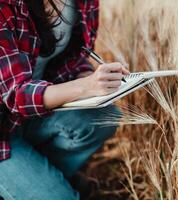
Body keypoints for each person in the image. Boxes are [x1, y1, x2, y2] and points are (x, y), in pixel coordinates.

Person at [0, 0, 128, 199]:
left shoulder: (83, 2)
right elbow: (15, 94)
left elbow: (72, 57)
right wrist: (86, 86)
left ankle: (36, 177)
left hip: (30, 115)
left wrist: (85, 76)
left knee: (102, 117)